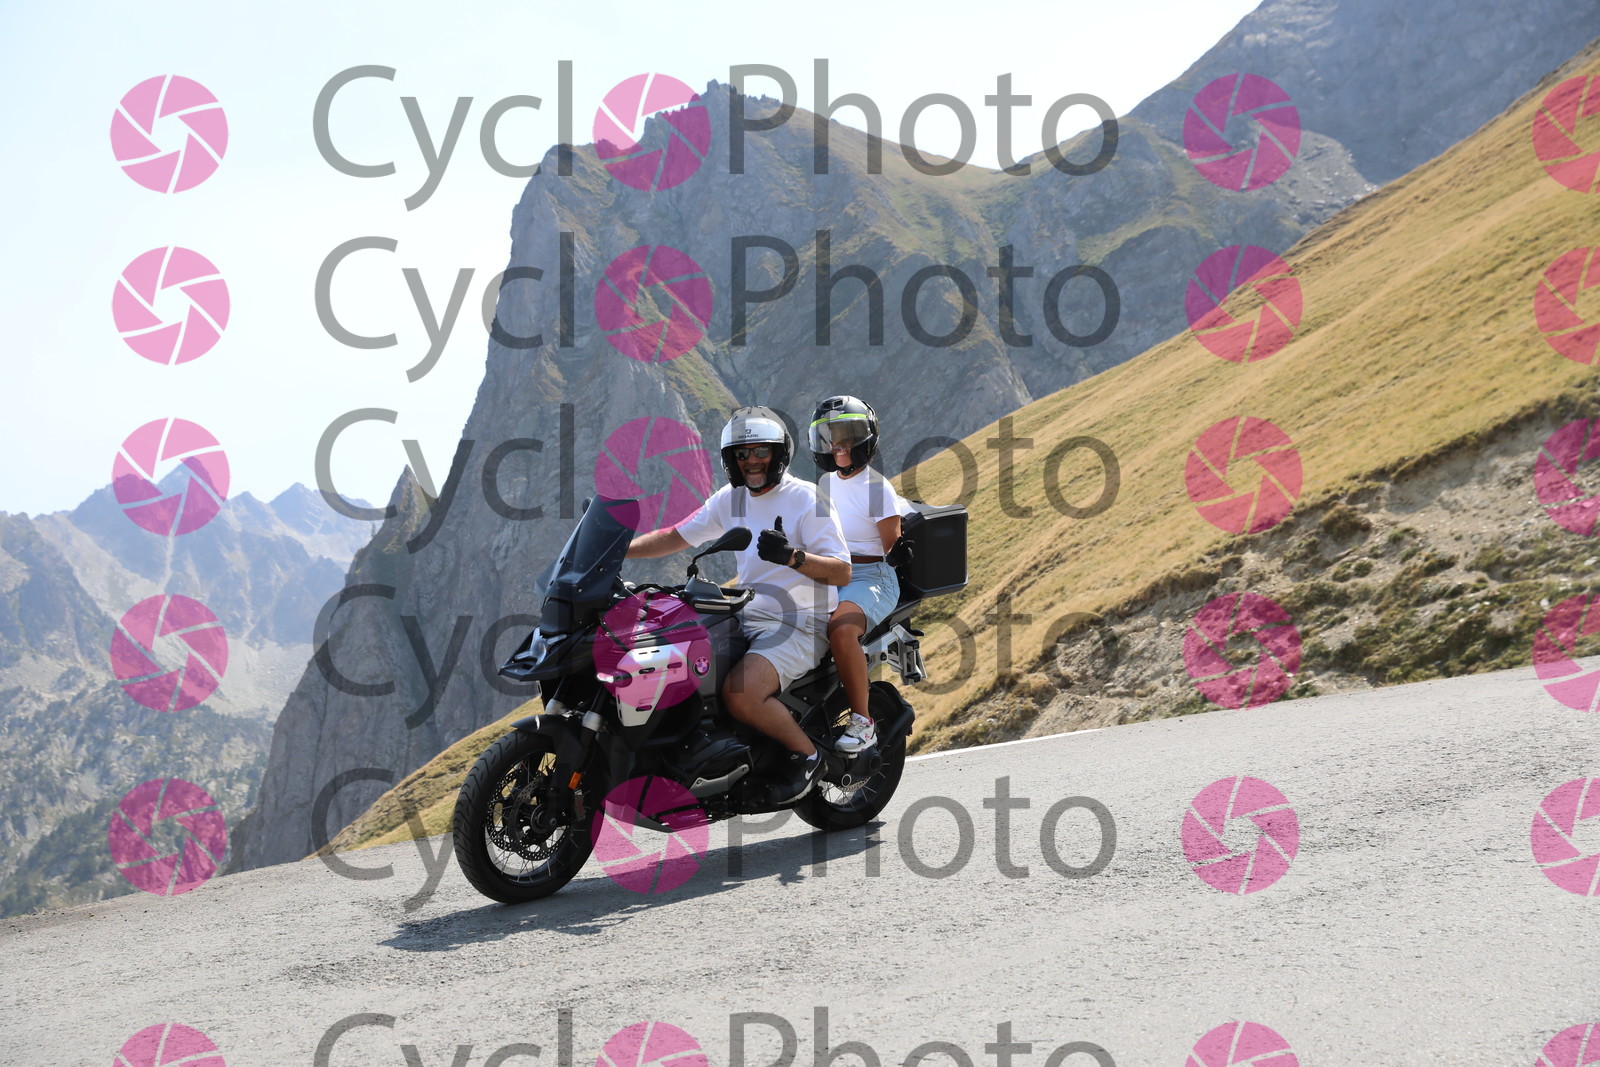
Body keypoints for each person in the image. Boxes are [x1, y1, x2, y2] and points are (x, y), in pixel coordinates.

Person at [626, 406, 850, 803]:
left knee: (741, 693)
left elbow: (842, 571)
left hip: (799, 622)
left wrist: (793, 557)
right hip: (745, 615)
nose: (751, 461)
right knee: (675, 663)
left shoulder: (806, 499)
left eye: (761, 451)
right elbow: (676, 536)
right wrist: (620, 549)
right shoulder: (730, 499)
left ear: (779, 453)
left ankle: (810, 757)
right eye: (742, 454)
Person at [810, 396, 907, 755]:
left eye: (847, 437)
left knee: (841, 629)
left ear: (864, 439)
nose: (838, 445)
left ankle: (863, 722)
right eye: (832, 437)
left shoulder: (877, 488)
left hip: (873, 576)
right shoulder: (825, 484)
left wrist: (898, 552)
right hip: (831, 571)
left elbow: (891, 547)